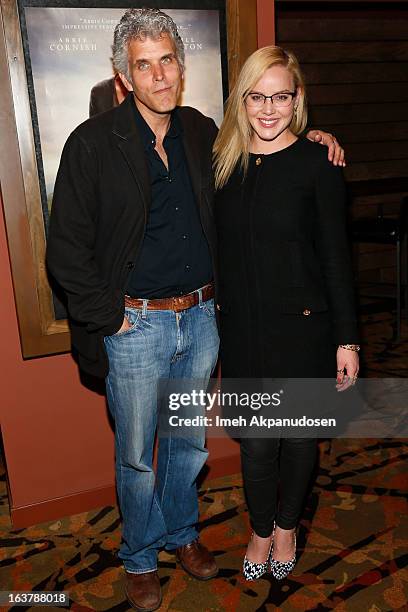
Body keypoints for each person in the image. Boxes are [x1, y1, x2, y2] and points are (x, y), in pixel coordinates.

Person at [46, 7, 346, 609]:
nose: (158, 76)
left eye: (167, 61)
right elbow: (65, 249)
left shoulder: (204, 132)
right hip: (134, 327)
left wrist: (317, 139)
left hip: (203, 320)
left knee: (188, 445)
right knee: (135, 453)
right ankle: (138, 557)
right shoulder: (92, 144)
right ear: (123, 75)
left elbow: (271, 161)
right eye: (143, 65)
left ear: (181, 67)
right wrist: (109, 316)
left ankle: (182, 536)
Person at [213, 46, 359, 581]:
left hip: (304, 329)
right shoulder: (222, 161)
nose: (269, 108)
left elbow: (337, 259)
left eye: (281, 96)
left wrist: (348, 340)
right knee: (256, 443)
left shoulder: (318, 163)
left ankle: (288, 526)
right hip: (246, 332)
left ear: (297, 100)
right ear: (243, 99)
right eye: (258, 95)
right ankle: (258, 529)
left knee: (297, 439)